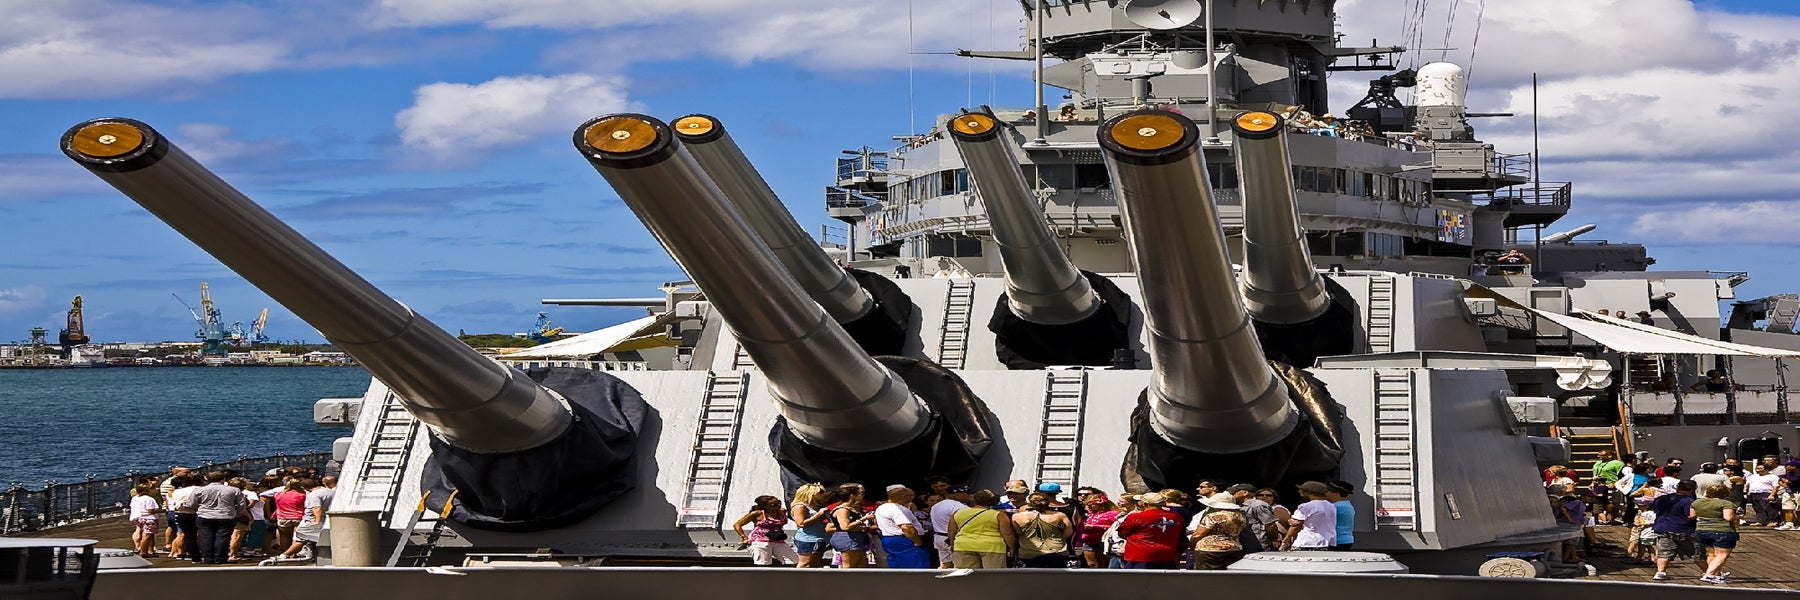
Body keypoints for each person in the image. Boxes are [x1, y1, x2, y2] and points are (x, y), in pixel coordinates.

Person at [947, 490, 1017, 569]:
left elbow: (951, 530)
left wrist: (952, 543)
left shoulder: (958, 512)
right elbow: (1007, 533)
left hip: (963, 545)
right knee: (993, 575)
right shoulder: (999, 515)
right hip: (992, 546)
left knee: (966, 575)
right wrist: (1012, 547)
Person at [1115, 492, 1185, 569]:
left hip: (1140, 555)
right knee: (1164, 580)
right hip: (1167, 555)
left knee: (1135, 580)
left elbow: (1122, 533)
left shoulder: (1136, 517)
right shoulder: (1176, 517)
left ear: (1144, 504)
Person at [191, 470, 247, 564]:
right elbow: (242, 506)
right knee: (223, 538)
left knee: (205, 537)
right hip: (226, 516)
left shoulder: (199, 490)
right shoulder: (234, 490)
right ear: (223, 479)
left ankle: (207, 558)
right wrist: (234, 512)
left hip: (205, 516)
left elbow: (191, 504)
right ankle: (220, 558)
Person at [1650, 480, 1699, 581]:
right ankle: (1710, 572)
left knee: (1663, 552)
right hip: (1683, 529)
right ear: (1692, 490)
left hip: (1662, 527)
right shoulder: (1689, 501)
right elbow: (1691, 515)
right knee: (1696, 553)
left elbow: (1654, 509)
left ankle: (1661, 572)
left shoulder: (1661, 498)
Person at [1690, 484, 1738, 584]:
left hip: (1701, 530)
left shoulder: (1697, 502)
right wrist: (1738, 517)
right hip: (1722, 530)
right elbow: (1728, 517)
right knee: (1722, 555)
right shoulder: (1726, 503)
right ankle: (1709, 574)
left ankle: (1717, 575)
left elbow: (1692, 516)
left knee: (1711, 554)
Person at [734, 495, 798, 566]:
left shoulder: (781, 512)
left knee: (794, 561)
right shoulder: (758, 514)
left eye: (779, 502)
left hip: (777, 540)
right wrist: (744, 537)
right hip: (760, 541)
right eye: (774, 504)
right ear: (765, 506)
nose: (778, 505)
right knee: (763, 564)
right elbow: (737, 525)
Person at [1012, 492, 1073, 568]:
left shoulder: (1017, 517)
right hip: (1057, 550)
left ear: (1029, 503)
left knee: (1033, 577)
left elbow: (1018, 533)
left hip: (1029, 551)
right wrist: (1059, 537)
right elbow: (1069, 531)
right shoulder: (1059, 515)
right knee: (1057, 577)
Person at [874, 485, 929, 568]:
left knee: (897, 565)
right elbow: (906, 527)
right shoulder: (897, 509)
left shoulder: (881, 508)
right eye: (912, 496)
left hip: (889, 539)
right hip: (904, 540)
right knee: (915, 566)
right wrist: (917, 541)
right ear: (906, 497)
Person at [1187, 493, 1246, 570]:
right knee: (1229, 575)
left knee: (1208, 577)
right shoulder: (1241, 516)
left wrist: (1191, 544)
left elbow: (1198, 534)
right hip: (1234, 548)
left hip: (1209, 549)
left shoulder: (1213, 516)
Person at [828, 484, 877, 568]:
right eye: (860, 494)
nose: (862, 496)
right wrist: (864, 518)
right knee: (850, 565)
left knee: (862, 564)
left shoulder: (851, 508)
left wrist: (863, 528)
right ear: (852, 496)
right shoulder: (842, 509)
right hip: (847, 539)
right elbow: (845, 527)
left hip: (856, 538)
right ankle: (846, 581)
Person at [1281, 482, 1337, 551]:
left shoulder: (1306, 506)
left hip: (1307, 542)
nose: (1299, 491)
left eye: (1301, 489)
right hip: (1326, 541)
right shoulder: (1331, 506)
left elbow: (1296, 525)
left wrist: (1285, 541)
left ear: (1309, 492)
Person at [788, 483, 831, 568]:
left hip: (820, 538)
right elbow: (801, 523)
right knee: (805, 563)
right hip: (808, 538)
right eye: (820, 492)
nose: (823, 494)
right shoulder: (800, 506)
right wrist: (818, 515)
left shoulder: (816, 505)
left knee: (815, 563)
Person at [928, 484, 972, 568]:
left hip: (939, 537)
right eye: (967, 494)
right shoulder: (959, 506)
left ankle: (939, 580)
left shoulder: (937, 505)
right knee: (960, 565)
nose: (970, 496)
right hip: (951, 539)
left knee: (945, 564)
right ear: (958, 495)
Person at [1227, 484, 1280, 551]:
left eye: (1234, 492)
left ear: (1245, 493)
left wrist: (1274, 540)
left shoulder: (1257, 505)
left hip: (1258, 542)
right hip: (1245, 541)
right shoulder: (1239, 505)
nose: (1232, 494)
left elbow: (1270, 525)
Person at [1078, 493, 1119, 567]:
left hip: (1103, 541)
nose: (1088, 507)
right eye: (1087, 505)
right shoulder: (1088, 514)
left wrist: (1095, 527)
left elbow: (1116, 527)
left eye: (1091, 504)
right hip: (1088, 541)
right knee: (1091, 564)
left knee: (1104, 562)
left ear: (1100, 504)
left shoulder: (1112, 514)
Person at [128, 483, 164, 558]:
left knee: (150, 534)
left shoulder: (135, 498)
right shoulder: (149, 499)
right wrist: (163, 511)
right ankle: (143, 551)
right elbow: (150, 510)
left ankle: (150, 550)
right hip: (149, 518)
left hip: (139, 518)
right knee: (147, 535)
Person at [1326, 481, 1356, 549]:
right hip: (1347, 539)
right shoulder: (1348, 505)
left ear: (1336, 493)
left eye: (1328, 491)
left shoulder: (1335, 507)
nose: (1326, 493)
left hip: (1337, 541)